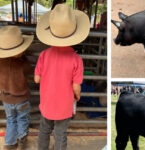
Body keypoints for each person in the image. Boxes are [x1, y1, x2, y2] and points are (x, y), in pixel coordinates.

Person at [34, 3, 90, 150]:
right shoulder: (76, 59)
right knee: (60, 134)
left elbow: (36, 79)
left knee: (44, 130)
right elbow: (76, 87)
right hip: (64, 105)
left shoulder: (44, 55)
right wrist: (77, 96)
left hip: (47, 103)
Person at [0, 26, 33, 150]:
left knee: (11, 120)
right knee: (22, 118)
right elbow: (29, 72)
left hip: (6, 98)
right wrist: (24, 57)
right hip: (22, 99)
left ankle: (9, 143)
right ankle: (21, 141)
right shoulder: (23, 63)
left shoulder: (0, 62)